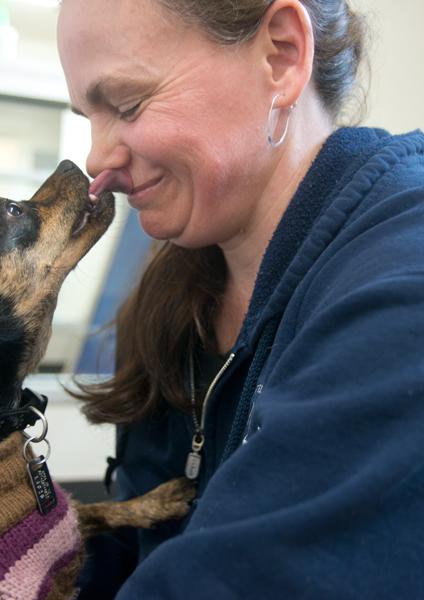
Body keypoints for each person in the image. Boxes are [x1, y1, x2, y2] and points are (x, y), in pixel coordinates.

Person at [58, 0, 424, 598]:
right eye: (88, 116)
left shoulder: (403, 290)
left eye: (127, 104)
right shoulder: (176, 289)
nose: (98, 159)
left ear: (281, 55)